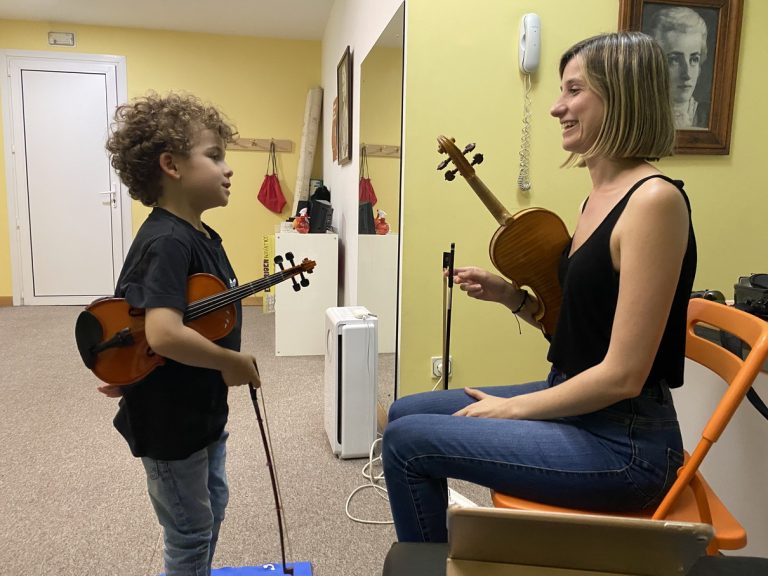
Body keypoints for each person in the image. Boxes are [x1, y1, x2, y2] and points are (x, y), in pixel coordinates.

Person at [381, 31, 697, 543]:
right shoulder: (594, 200)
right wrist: (511, 296)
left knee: (404, 442)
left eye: (574, 90)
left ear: (619, 95)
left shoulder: (654, 202)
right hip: (574, 401)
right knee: (403, 411)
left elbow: (623, 376)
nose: (556, 108)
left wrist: (509, 410)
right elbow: (575, 329)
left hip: (626, 445)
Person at [100, 92, 261, 574]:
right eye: (214, 156)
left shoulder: (201, 237)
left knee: (212, 506)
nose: (227, 168)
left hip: (201, 409)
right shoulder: (168, 241)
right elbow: (164, 333)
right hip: (170, 421)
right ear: (171, 165)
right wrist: (231, 362)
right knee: (189, 530)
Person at [647, 6, 710, 129]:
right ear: (655, 65)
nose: (686, 74)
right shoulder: (642, 116)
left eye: (694, 59)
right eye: (674, 59)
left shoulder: (710, 116)